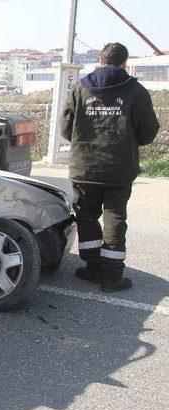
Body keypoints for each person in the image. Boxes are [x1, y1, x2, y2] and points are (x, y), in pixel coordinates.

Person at [61, 42, 160, 292]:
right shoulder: (136, 91)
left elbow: (65, 128)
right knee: (115, 219)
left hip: (85, 168)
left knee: (86, 217)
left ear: (101, 60)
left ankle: (92, 268)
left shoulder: (80, 87)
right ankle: (112, 277)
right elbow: (148, 132)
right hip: (119, 169)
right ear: (124, 63)